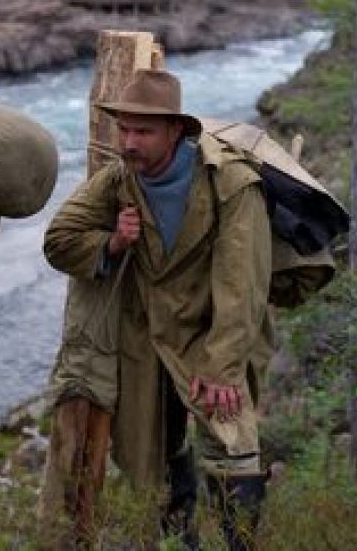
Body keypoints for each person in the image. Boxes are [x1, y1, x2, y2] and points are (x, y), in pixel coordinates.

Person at [42, 69, 274, 550]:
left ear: (176, 131)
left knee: (233, 445)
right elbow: (59, 241)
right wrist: (112, 242)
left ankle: (241, 544)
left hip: (214, 335)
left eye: (143, 131)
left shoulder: (230, 183)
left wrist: (222, 367)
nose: (129, 142)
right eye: (123, 129)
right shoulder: (118, 180)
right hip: (148, 338)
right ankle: (178, 542)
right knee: (153, 455)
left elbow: (242, 285)